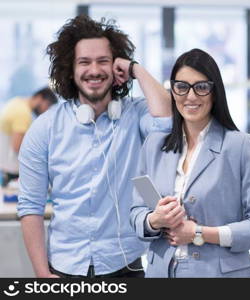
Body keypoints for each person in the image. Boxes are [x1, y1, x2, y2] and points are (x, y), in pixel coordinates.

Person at [17, 15, 171, 278]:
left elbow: (168, 119)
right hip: (64, 266)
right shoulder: (45, 128)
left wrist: (135, 69)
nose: (94, 70)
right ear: (70, 69)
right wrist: (42, 273)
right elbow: (31, 205)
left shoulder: (136, 115)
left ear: (116, 67)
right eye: (84, 62)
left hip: (126, 263)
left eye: (103, 61)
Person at [130, 48, 250, 278]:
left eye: (201, 87)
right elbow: (136, 212)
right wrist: (154, 220)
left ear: (214, 92)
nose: (190, 97)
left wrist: (199, 233)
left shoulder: (239, 146)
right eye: (181, 87)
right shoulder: (153, 145)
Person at [0, 87, 57, 186]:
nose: (46, 110)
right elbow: (17, 147)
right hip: (10, 171)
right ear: (39, 98)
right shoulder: (22, 113)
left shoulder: (16, 102)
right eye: (47, 105)